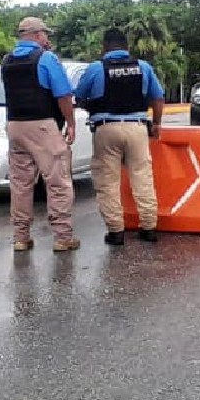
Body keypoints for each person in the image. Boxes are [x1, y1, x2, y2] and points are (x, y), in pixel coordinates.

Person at [74, 29, 164, 245]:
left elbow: (79, 97)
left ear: (104, 47)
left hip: (106, 128)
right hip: (137, 127)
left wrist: (93, 110)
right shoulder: (143, 67)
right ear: (127, 47)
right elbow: (158, 97)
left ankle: (116, 232)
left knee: (107, 181)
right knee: (142, 177)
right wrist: (157, 124)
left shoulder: (95, 69)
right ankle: (149, 227)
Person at [1, 17, 79, 252]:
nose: (48, 39)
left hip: (15, 126)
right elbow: (63, 95)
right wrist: (70, 123)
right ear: (36, 35)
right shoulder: (46, 59)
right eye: (46, 34)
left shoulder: (7, 61)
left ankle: (21, 237)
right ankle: (63, 237)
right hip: (42, 126)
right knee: (58, 181)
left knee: (21, 185)